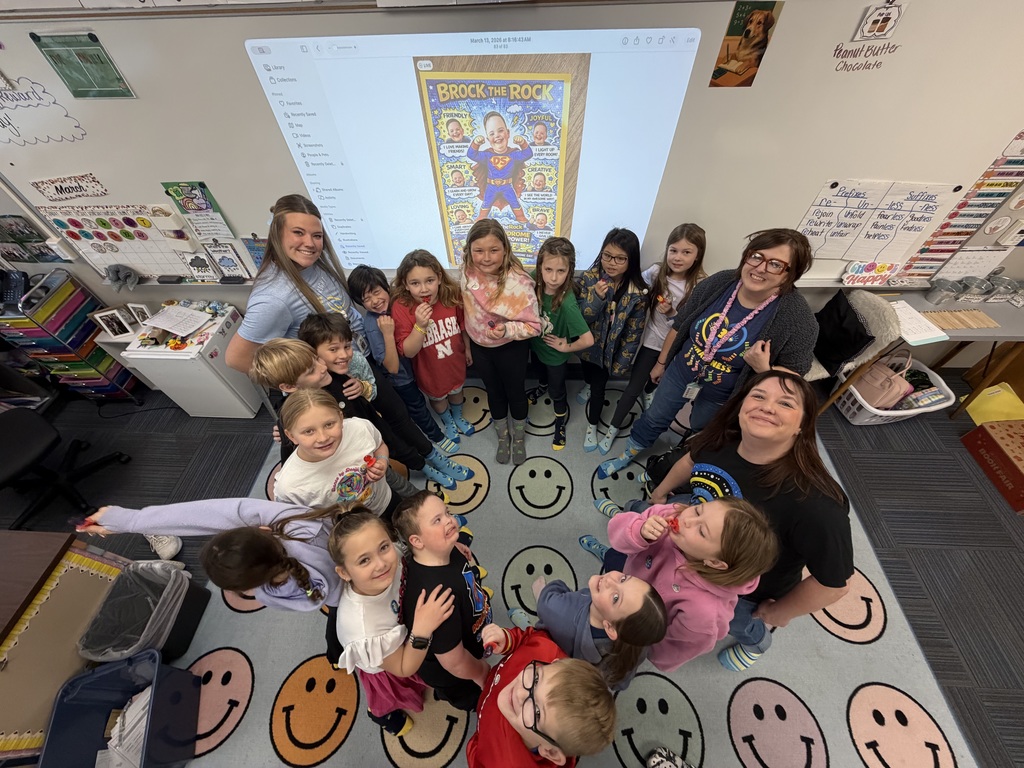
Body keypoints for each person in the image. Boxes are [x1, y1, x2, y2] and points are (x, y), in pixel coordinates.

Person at [647, 370, 853, 671]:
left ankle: (758, 641)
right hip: (695, 537)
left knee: (737, 622)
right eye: (758, 395)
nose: (767, 406)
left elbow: (835, 584)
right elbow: (689, 462)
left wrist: (778, 613)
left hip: (745, 590)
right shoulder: (721, 440)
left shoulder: (815, 504)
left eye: (785, 403)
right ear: (741, 405)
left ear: (802, 426)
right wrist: (660, 493)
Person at [599, 228, 817, 477]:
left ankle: (672, 463)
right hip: (681, 371)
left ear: (791, 274)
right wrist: (661, 363)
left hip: (724, 393)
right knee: (655, 416)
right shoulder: (721, 282)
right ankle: (629, 454)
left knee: (702, 430)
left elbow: (795, 377)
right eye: (756, 256)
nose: (760, 268)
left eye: (776, 264)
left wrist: (763, 370)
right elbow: (681, 325)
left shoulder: (798, 319)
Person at [77, 498, 347, 658]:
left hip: (340, 600)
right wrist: (128, 519)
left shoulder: (274, 592)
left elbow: (207, 516)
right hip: (351, 570)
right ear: (260, 530)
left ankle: (336, 654)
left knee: (339, 624)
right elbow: (217, 511)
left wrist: (127, 522)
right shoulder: (296, 522)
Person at [579, 497, 778, 672]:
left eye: (701, 531)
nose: (687, 519)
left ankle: (758, 643)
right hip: (628, 574)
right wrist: (638, 531)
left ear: (715, 562)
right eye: (699, 509)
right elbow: (617, 532)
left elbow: (671, 649)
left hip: (637, 626)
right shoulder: (673, 513)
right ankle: (609, 554)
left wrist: (636, 646)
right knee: (615, 556)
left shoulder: (704, 614)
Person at [298, 313, 470, 489]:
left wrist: (363, 387)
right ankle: (425, 467)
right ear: (313, 353)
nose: (343, 355)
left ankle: (434, 456)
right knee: (389, 442)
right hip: (358, 420)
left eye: (347, 346)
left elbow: (373, 388)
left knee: (401, 417)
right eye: (333, 349)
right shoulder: (308, 378)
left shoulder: (355, 360)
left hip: (370, 389)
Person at [327, 507, 455, 735]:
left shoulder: (393, 554)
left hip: (402, 632)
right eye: (364, 560)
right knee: (389, 694)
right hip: (388, 664)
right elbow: (404, 667)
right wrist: (422, 629)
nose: (381, 564)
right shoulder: (364, 628)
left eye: (383, 547)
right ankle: (380, 715)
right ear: (344, 573)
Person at [247, 337, 420, 498]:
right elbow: (293, 460)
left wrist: (361, 386)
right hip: (345, 477)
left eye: (317, 359)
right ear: (289, 386)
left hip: (370, 457)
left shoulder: (337, 380)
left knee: (398, 485)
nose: (322, 367)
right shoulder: (291, 417)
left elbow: (369, 418)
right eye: (311, 370)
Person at [598, 224, 707, 456]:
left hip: (676, 348)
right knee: (631, 389)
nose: (678, 257)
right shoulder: (657, 273)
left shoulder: (699, 286)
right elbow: (635, 284)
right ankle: (612, 429)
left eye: (686, 252)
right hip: (650, 344)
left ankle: (649, 391)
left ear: (698, 255)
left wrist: (671, 314)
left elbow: (691, 325)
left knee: (657, 381)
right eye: (673, 250)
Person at [225, 194, 364, 374]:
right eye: (298, 232)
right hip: (335, 380)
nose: (310, 243)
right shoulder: (273, 299)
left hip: (357, 364)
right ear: (277, 234)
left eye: (317, 235)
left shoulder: (315, 262)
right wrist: (301, 383)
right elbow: (237, 359)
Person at [393, 491, 492, 711]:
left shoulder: (442, 549)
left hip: (470, 628)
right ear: (417, 541)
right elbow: (454, 662)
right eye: (437, 520)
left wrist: (451, 545)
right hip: (451, 672)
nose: (449, 520)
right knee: (472, 697)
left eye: (446, 513)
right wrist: (481, 671)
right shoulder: (436, 599)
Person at [347, 265, 458, 453]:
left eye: (376, 292)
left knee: (429, 391)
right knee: (417, 406)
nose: (375, 301)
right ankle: (435, 435)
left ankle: (446, 419)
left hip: (418, 365)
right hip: (401, 378)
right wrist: (388, 334)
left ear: (386, 287)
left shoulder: (398, 305)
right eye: (366, 299)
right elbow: (391, 367)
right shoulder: (374, 325)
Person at [471, 624, 615, 767]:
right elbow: (529, 638)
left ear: (550, 752)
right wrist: (507, 639)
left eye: (537, 713)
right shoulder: (546, 652)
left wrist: (479, 738)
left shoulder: (504, 763)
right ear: (554, 663)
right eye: (536, 679)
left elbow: (477, 760)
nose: (520, 692)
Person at [460, 219, 543, 464]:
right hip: (480, 347)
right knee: (494, 393)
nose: (486, 257)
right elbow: (466, 310)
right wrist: (467, 344)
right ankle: (502, 436)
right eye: (479, 250)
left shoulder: (519, 282)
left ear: (505, 249)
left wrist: (507, 329)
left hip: (510, 349)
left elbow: (534, 326)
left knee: (515, 393)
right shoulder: (466, 270)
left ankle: (518, 437)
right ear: (469, 251)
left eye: (493, 250)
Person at [510, 570, 667, 691]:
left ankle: (526, 628)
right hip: (577, 677)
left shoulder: (561, 610)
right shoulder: (638, 642)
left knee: (534, 634)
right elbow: (620, 683)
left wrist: (549, 597)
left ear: (610, 627)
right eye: (623, 578)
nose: (610, 580)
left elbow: (552, 593)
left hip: (547, 650)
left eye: (616, 598)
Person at [273, 389, 399, 521]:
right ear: (291, 436)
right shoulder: (288, 487)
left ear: (340, 417)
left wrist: (382, 461)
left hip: (385, 501)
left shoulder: (360, 428)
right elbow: (298, 522)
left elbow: (380, 446)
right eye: (309, 431)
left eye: (329, 424)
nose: (323, 438)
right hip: (348, 531)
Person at [390, 249, 476, 443]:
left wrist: (468, 348)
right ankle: (448, 421)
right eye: (415, 283)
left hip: (455, 362)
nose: (424, 289)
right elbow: (409, 352)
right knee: (438, 398)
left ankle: (458, 416)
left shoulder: (451, 295)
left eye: (429, 280)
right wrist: (419, 325)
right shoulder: (402, 307)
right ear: (405, 284)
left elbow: (463, 325)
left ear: (438, 277)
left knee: (456, 391)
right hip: (429, 370)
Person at [576, 228, 649, 453]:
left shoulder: (638, 292)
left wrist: (623, 362)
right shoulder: (589, 279)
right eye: (607, 255)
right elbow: (581, 317)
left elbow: (633, 332)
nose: (612, 263)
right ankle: (587, 384)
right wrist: (596, 296)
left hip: (611, 353)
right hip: (588, 347)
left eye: (620, 258)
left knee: (599, 389)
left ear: (631, 260)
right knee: (588, 373)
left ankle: (592, 425)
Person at [526, 237, 594, 450]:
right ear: (540, 266)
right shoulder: (534, 279)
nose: (553, 278)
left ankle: (559, 421)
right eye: (548, 269)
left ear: (570, 270)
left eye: (561, 271)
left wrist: (566, 346)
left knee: (557, 392)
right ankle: (541, 386)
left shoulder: (567, 302)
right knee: (539, 373)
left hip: (556, 357)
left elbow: (587, 339)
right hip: (536, 346)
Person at [468, 112, 532, 222]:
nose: (497, 135)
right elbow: (471, 154)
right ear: (488, 139)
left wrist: (523, 143)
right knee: (486, 203)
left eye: (500, 131)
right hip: (491, 186)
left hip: (507, 186)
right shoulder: (487, 155)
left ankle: (520, 217)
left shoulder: (513, 154)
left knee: (514, 201)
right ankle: (481, 217)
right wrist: (475, 144)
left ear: (508, 133)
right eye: (492, 133)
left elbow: (528, 154)